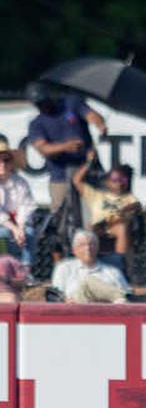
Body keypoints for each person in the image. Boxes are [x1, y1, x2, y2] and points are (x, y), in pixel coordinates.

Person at [26, 83, 107, 212]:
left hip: (88, 170)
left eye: (44, 101)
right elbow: (43, 149)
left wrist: (100, 125)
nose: (43, 106)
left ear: (49, 96)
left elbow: (92, 115)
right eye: (38, 104)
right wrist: (65, 147)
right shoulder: (36, 124)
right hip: (61, 176)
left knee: (98, 210)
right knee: (60, 216)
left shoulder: (71, 103)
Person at [72, 150, 140, 257]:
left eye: (123, 179)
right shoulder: (96, 195)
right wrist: (89, 162)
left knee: (122, 226)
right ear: (107, 181)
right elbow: (76, 180)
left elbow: (136, 206)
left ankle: (120, 260)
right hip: (98, 228)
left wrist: (124, 210)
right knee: (88, 231)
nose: (119, 183)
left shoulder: (129, 197)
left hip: (115, 226)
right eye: (115, 179)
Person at [51, 230, 130, 304]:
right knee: (87, 282)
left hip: (107, 312)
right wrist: (65, 300)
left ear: (98, 248)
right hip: (77, 311)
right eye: (82, 245)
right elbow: (56, 295)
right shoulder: (64, 268)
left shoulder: (113, 272)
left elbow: (128, 293)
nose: (88, 248)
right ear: (74, 250)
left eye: (92, 244)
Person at [0, 137, 38, 275]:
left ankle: (25, 273)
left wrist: (20, 227)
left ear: (11, 163)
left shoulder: (21, 182)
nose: (2, 164)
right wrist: (14, 229)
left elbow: (26, 206)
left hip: (17, 223)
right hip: (3, 225)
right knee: (3, 234)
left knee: (29, 233)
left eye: (6, 160)